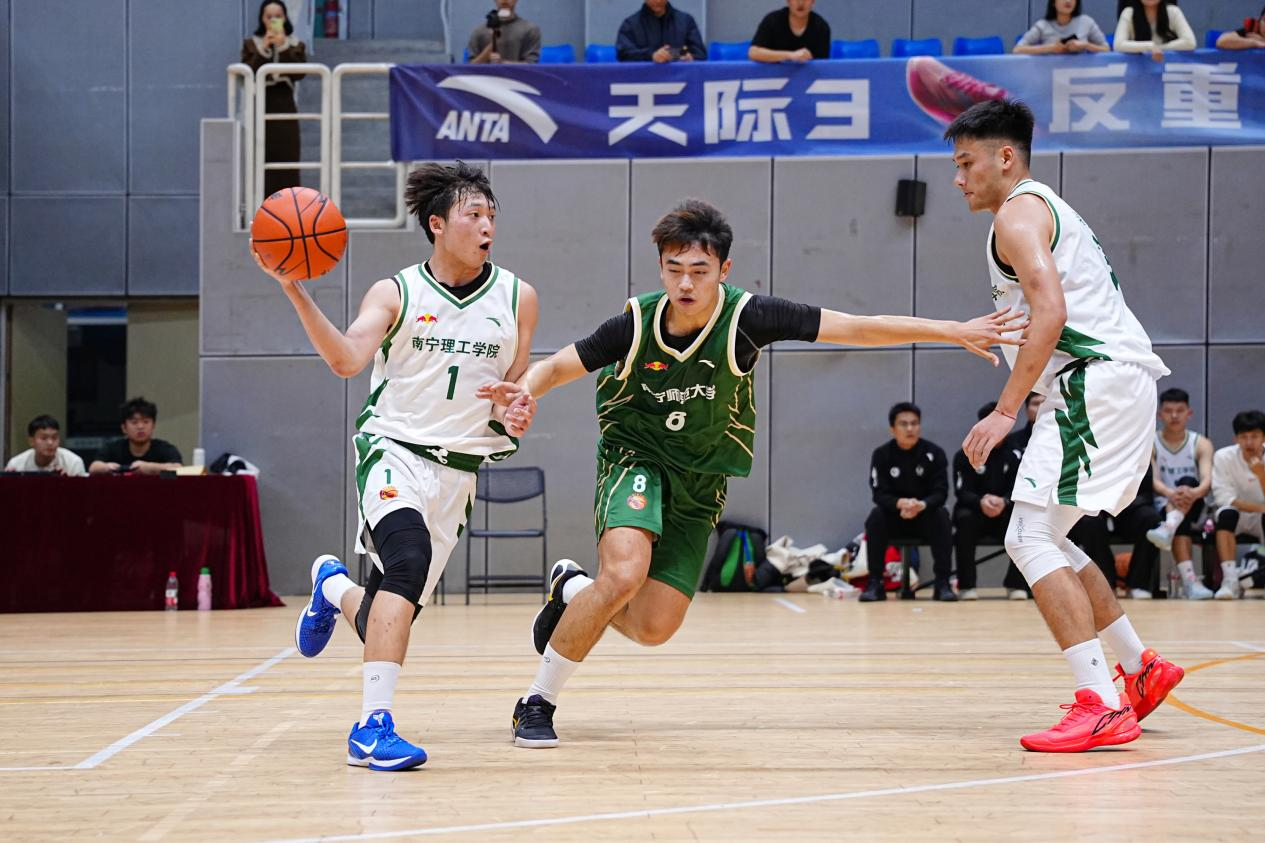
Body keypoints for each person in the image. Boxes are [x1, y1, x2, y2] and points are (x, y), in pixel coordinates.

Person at [480, 198, 1023, 748]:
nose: (685, 283)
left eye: (699, 270)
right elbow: (557, 365)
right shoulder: (635, 323)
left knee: (652, 627)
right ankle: (537, 701)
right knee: (623, 576)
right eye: (673, 269)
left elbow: (857, 327)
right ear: (660, 267)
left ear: (724, 269)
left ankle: (573, 588)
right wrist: (524, 393)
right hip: (635, 458)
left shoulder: (749, 318)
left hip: (701, 479)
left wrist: (950, 329)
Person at [255, 162, 538, 771]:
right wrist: (294, 289)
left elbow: (513, 390)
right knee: (407, 562)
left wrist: (516, 407)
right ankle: (371, 727)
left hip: (458, 471)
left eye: (492, 215)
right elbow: (346, 360)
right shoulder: (395, 292)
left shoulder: (519, 297)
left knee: (388, 614)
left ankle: (332, 587)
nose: (487, 226)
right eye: (473, 214)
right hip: (395, 451)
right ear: (437, 224)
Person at [950, 99, 1183, 752]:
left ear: (1005, 157)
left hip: (1092, 381)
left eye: (966, 163)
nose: (957, 178)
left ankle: (1100, 703)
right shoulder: (1043, 207)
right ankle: (1138, 667)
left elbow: (1050, 312)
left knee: (1026, 535)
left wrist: (1004, 410)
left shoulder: (1017, 213)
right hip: (1107, 381)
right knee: (1048, 535)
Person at [862, 402, 957, 602]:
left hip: (924, 516)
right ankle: (875, 583)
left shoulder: (934, 453)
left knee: (942, 516)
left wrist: (921, 505)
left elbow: (940, 492)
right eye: (904, 424)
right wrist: (900, 503)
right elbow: (879, 493)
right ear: (892, 429)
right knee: (876, 517)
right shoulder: (882, 455)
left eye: (914, 423)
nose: (910, 428)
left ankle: (942, 583)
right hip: (895, 517)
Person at [953, 401, 1028, 600]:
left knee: (1023, 521)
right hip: (976, 512)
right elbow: (962, 491)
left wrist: (1004, 501)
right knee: (964, 519)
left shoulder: (1016, 455)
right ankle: (967, 586)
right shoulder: (965, 454)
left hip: (1005, 512)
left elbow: (1021, 488)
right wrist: (980, 502)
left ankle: (1015, 584)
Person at [1145, 387, 1215, 599]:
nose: (1174, 416)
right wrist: (1171, 494)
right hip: (1162, 503)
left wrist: (1191, 493)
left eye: (1179, 410)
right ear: (1160, 414)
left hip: (1195, 502)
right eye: (1168, 411)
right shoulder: (1151, 442)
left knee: (1188, 482)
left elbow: (1207, 481)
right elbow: (1154, 480)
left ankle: (1168, 527)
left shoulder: (1200, 443)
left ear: (1189, 413)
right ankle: (1191, 583)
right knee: (1180, 521)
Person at [241, 1, 307, 197]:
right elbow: (249, 72)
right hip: (261, 103)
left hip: (285, 104)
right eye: (268, 17)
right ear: (262, 19)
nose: (273, 21)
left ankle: (289, 205)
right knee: (261, 156)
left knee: (288, 157)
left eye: (278, 16)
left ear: (285, 18)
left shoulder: (296, 45)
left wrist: (283, 46)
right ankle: (262, 204)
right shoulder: (251, 44)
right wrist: (264, 49)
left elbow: (300, 72)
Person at [1065, 467, 1163, 599]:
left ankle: (1138, 584)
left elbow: (1144, 482)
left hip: (1129, 503)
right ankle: (1106, 582)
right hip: (1093, 500)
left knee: (1150, 520)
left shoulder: (1135, 452)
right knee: (1089, 521)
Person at [1210, 409, 1265, 600]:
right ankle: (1230, 579)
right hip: (1238, 514)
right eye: (1243, 437)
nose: (1249, 442)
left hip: (1261, 518)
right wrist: (1260, 508)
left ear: (1263, 437)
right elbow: (1224, 498)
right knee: (1226, 514)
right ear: (1236, 439)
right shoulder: (1223, 457)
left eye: (1254, 436)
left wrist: (1261, 475)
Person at [997, 393, 1046, 599]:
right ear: (1026, 410)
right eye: (1035, 403)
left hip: (1054, 498)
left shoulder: (1066, 437)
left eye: (1045, 402)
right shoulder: (1012, 442)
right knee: (1020, 527)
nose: (1041, 407)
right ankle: (1015, 582)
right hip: (1021, 499)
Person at [89, 398, 183, 475]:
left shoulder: (164, 448)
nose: (140, 427)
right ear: (124, 428)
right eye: (134, 422)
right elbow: (93, 468)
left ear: (153, 426)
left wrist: (149, 468)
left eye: (146, 422)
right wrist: (107, 468)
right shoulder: (113, 448)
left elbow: (179, 470)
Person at [616, 0, 706, 62]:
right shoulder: (630, 25)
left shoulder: (686, 21)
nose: (658, 1)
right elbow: (624, 54)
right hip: (644, 80)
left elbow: (700, 54)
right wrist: (652, 56)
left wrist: (685, 56)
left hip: (679, 78)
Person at [748, 0, 831, 64]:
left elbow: (822, 65)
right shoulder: (772, 20)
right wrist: (790, 55)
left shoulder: (821, 27)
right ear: (788, 1)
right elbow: (753, 53)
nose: (800, 3)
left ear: (813, 1)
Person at [1014, 0, 1110, 55]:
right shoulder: (1042, 25)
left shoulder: (1086, 22)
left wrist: (1086, 45)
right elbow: (1017, 50)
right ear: (1053, 2)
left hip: (1081, 74)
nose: (1068, 1)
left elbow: (1106, 49)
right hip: (1049, 74)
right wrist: (1051, 48)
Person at [4, 415, 86, 476]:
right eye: (44, 438)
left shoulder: (73, 462)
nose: (50, 443)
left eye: (54, 438)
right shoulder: (16, 464)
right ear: (31, 441)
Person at [1115, 0, 1196, 61]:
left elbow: (1190, 42)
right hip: (1139, 70)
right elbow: (1118, 45)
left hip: (1168, 67)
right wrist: (1149, 46)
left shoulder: (1173, 12)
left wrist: (1159, 48)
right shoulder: (1128, 13)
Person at [467, 0, 542, 64]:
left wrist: (502, 63)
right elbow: (470, 68)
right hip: (486, 77)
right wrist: (488, 51)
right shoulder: (479, 32)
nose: (504, 0)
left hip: (516, 77)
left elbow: (531, 65)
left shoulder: (530, 30)